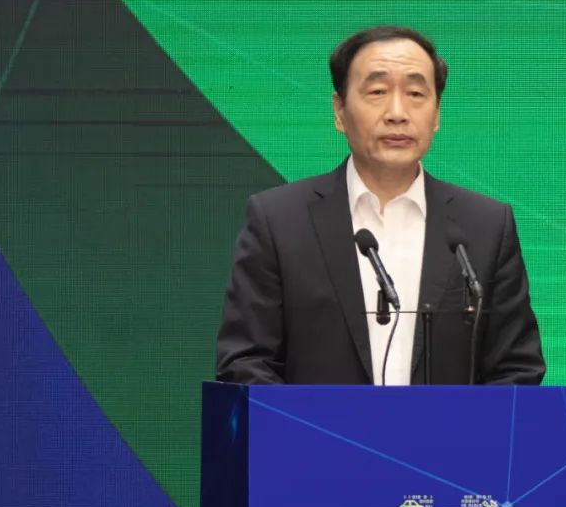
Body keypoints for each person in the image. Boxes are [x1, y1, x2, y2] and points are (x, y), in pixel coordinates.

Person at [215, 26, 544, 385]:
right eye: (377, 92)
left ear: (436, 114)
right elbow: (245, 362)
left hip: (452, 426)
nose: (397, 113)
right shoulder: (279, 221)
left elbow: (517, 370)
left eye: (416, 94)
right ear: (339, 111)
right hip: (315, 425)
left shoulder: (485, 226)